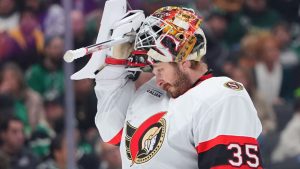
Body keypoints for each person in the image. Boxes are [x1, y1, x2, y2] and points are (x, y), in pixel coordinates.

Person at [93, 6, 263, 169]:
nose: (157, 79)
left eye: (160, 69)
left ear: (184, 61)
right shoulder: (152, 92)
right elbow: (112, 133)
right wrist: (114, 69)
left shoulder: (222, 97)